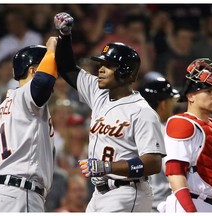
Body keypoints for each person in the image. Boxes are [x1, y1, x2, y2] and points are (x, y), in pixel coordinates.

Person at [54, 12, 166, 212]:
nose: (101, 70)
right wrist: (65, 35)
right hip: (99, 193)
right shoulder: (98, 93)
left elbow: (153, 163)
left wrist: (109, 167)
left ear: (125, 72)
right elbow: (67, 68)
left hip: (128, 192)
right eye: (101, 64)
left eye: (109, 66)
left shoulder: (141, 111)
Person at [0, 36, 58, 212]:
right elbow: (43, 83)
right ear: (33, 70)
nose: (55, 74)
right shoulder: (25, 98)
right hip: (19, 192)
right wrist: (51, 48)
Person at [158, 58, 212, 212]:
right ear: (191, 96)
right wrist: (190, 211)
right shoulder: (181, 123)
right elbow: (175, 173)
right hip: (189, 203)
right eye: (208, 91)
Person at [139, 76, 179, 212]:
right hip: (160, 205)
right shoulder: (165, 131)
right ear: (163, 104)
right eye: (171, 101)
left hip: (136, 203)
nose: (173, 105)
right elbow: (172, 171)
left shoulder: (135, 126)